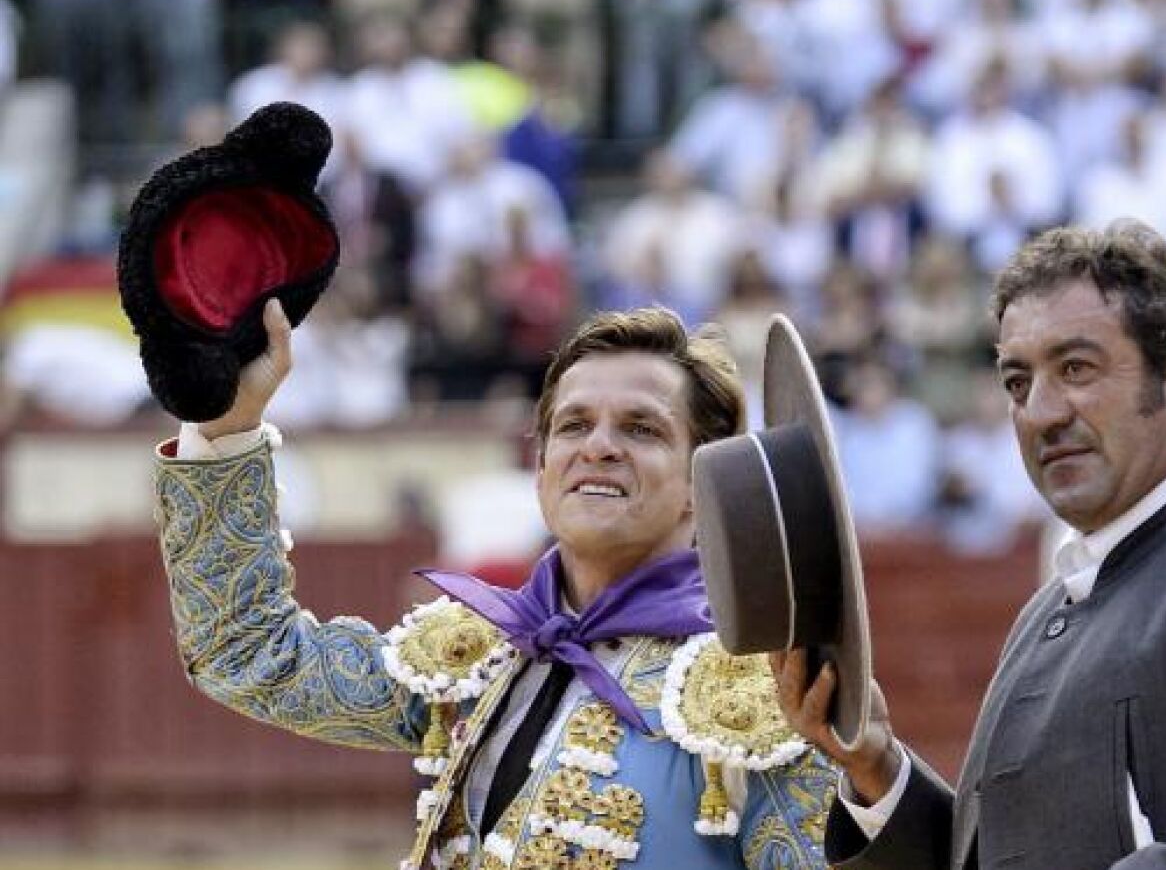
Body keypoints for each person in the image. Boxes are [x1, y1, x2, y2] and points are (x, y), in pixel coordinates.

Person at [773, 220, 1166, 870]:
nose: (1040, 412)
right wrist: (877, 769)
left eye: (1076, 368)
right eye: (1018, 383)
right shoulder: (1050, 608)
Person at [153, 305, 835, 869]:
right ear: (542, 470)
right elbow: (248, 652)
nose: (598, 446)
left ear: (700, 482)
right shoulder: (475, 658)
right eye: (573, 425)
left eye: (641, 428)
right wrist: (226, 425)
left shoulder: (757, 694)